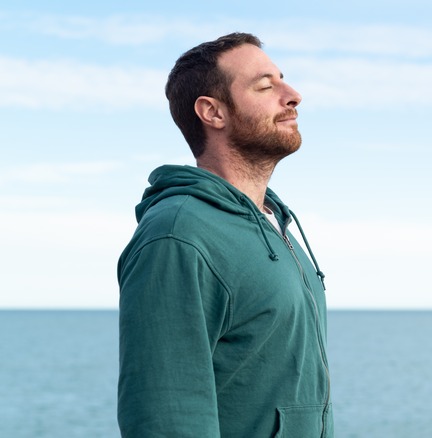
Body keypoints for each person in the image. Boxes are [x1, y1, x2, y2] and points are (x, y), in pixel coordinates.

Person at [117, 32, 333, 437]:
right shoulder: (178, 236)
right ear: (213, 112)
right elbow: (166, 418)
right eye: (266, 86)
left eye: (283, 80)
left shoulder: (274, 224)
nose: (293, 95)